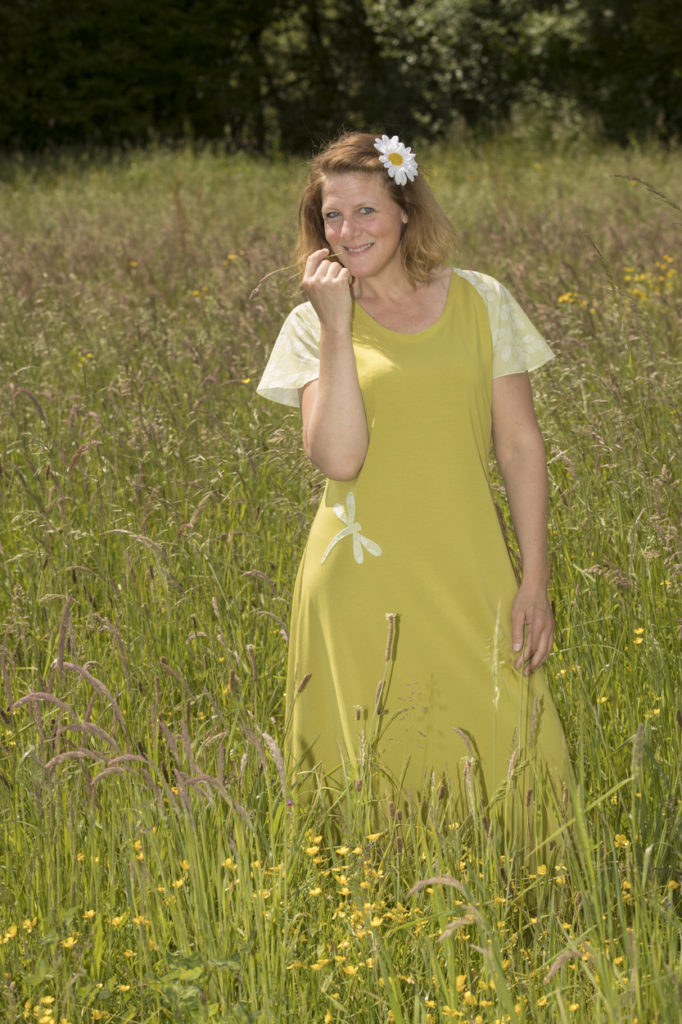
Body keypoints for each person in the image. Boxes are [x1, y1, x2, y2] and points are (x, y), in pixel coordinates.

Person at [257, 131, 567, 833]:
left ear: (404, 209)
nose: (348, 231)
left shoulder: (483, 300)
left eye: (366, 210)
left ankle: (527, 885)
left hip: (468, 566)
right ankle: (375, 893)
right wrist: (338, 327)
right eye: (332, 216)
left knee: (512, 741)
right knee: (372, 761)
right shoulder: (310, 325)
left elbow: (520, 446)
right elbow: (340, 459)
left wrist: (535, 577)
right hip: (357, 582)